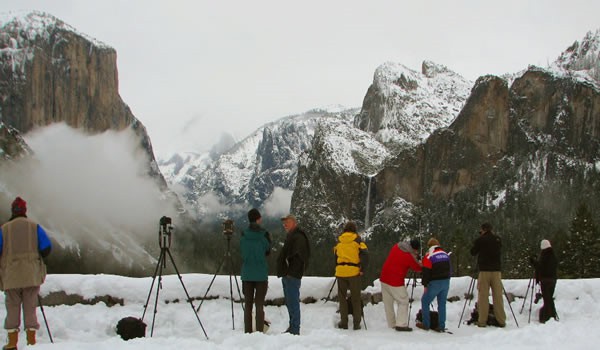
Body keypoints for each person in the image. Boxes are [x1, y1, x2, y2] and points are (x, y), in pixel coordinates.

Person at [0, 197, 52, 349]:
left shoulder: (4, 229)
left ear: (13, 211)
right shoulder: (35, 227)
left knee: (12, 307)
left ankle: (11, 343)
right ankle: (31, 342)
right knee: (30, 307)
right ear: (25, 211)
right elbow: (46, 248)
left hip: (11, 275)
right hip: (31, 275)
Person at [276, 214, 310, 335]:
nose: (285, 224)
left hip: (292, 275)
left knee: (293, 302)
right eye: (284, 222)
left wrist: (291, 272)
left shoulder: (298, 237)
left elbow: (300, 257)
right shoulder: (292, 236)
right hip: (288, 274)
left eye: (287, 222)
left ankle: (295, 329)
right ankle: (292, 327)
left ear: (294, 223)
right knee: (290, 302)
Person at [379, 238, 422, 331]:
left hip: (384, 277)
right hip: (395, 280)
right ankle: (401, 324)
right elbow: (418, 267)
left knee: (388, 303)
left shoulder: (397, 246)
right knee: (403, 301)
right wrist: (418, 259)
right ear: (415, 249)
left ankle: (391, 324)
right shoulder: (409, 256)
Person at [240, 208, 271, 333]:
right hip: (261, 274)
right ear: (258, 219)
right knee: (259, 304)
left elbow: (242, 251)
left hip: (247, 274)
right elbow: (267, 251)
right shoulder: (264, 234)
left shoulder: (243, 234)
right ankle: (259, 332)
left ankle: (248, 331)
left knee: (248, 305)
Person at [333, 221, 369, 330]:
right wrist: (362, 268)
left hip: (340, 271)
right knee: (355, 298)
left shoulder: (339, 240)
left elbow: (335, 254)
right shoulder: (358, 240)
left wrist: (337, 267)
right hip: (354, 271)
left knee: (342, 298)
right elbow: (366, 254)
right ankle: (356, 323)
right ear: (354, 230)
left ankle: (344, 322)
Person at [470, 222, 506, 328]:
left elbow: (473, 252)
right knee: (498, 296)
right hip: (496, 270)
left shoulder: (480, 240)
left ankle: (482, 321)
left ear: (483, 230)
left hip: (484, 270)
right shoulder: (497, 239)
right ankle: (501, 320)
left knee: (483, 296)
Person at [416, 238, 451, 332]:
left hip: (435, 282)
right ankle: (441, 325)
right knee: (442, 304)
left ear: (429, 246)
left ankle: (426, 324)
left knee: (425, 301)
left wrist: (425, 285)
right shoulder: (445, 254)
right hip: (446, 281)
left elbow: (426, 272)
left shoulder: (429, 256)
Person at [529, 239, 558, 323]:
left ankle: (547, 316)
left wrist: (533, 262)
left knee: (546, 298)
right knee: (549, 298)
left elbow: (540, 267)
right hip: (553, 279)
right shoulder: (553, 256)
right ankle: (552, 314)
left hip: (545, 280)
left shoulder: (544, 256)